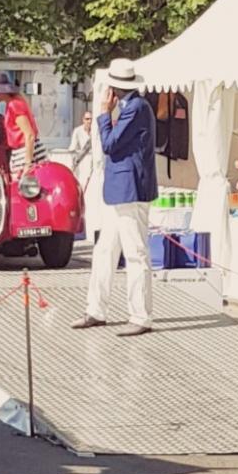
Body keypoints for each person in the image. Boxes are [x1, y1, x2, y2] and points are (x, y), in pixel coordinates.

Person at [72, 59, 157, 337]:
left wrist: (102, 115)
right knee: (104, 250)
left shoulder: (136, 108)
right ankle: (96, 309)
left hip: (130, 188)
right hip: (119, 188)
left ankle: (141, 315)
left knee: (135, 253)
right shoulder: (129, 106)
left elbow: (110, 144)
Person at [0, 71, 41, 175]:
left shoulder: (14, 105)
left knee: (21, 186)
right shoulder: (13, 103)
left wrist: (28, 163)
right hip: (22, 151)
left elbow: (29, 134)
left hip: (26, 151)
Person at [69, 110, 95, 186]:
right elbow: (72, 148)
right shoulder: (77, 131)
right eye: (87, 119)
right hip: (82, 164)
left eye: (91, 119)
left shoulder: (96, 131)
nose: (89, 121)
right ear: (83, 120)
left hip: (93, 163)